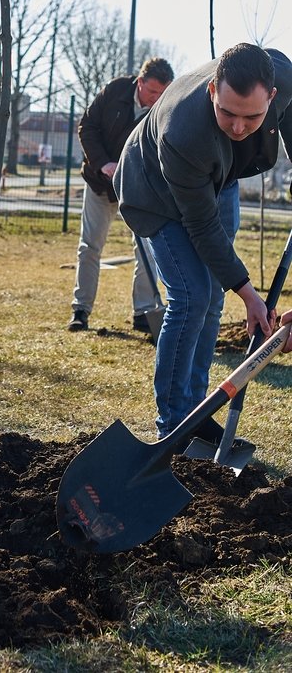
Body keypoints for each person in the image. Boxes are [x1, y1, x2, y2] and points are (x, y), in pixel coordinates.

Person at [114, 43, 292, 441]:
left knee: (212, 294)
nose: (240, 128)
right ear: (213, 90)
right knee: (193, 294)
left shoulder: (282, 75)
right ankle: (175, 423)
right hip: (155, 191)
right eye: (228, 113)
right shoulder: (184, 130)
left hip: (219, 175)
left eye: (253, 117)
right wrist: (250, 295)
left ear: (273, 96)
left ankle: (196, 412)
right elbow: (202, 226)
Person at [67, 57, 175, 332]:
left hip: (139, 190)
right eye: (152, 92)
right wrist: (103, 163)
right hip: (100, 183)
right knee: (90, 246)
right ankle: (81, 309)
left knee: (147, 250)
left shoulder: (166, 108)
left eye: (162, 93)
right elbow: (87, 128)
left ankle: (144, 311)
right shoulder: (114, 91)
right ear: (140, 83)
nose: (156, 99)